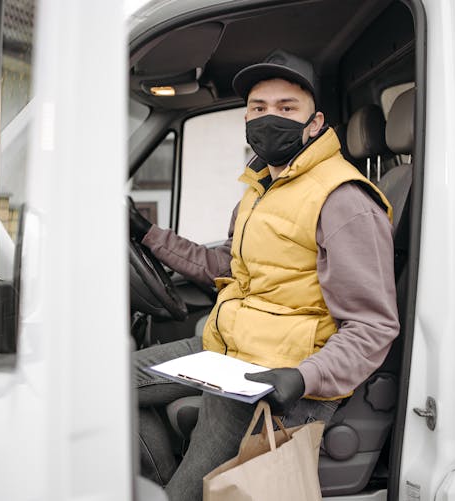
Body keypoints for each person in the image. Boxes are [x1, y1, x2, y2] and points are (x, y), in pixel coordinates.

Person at [131, 49, 399, 501]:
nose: (268, 118)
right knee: (104, 384)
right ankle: (154, 484)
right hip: (230, 350)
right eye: (258, 109)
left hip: (278, 378)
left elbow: (374, 327)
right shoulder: (260, 189)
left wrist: (303, 378)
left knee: (188, 495)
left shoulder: (344, 200)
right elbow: (228, 268)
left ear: (315, 123)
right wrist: (149, 234)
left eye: (286, 108)